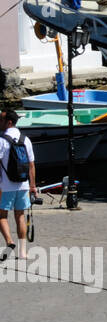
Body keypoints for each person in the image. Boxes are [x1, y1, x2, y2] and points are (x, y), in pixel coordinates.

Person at [0, 109, 36, 262]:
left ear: (9, 122)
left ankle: (10, 241)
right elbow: (31, 165)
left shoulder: (2, 140)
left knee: (2, 216)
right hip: (23, 185)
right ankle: (23, 252)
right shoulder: (25, 139)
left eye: (0, 119)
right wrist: (33, 186)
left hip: (5, 185)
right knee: (20, 216)